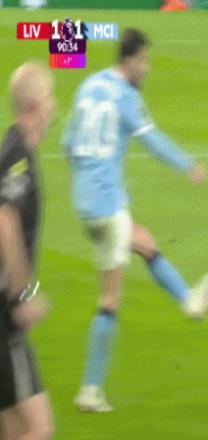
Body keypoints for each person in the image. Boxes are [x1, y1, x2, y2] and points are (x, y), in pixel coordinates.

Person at [63, 28, 208, 412]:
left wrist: (86, 179)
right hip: (108, 207)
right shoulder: (127, 97)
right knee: (109, 299)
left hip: (85, 203)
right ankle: (90, 390)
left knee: (144, 242)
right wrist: (189, 165)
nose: (147, 68)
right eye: (145, 60)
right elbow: (153, 140)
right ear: (130, 59)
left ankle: (189, 300)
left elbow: (67, 143)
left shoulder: (88, 85)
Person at [0, 62, 55, 439]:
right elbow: (5, 220)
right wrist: (23, 295)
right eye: (50, 97)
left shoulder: (13, 151)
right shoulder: (17, 158)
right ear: (34, 106)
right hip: (4, 316)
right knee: (38, 429)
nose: (54, 106)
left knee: (12, 427)